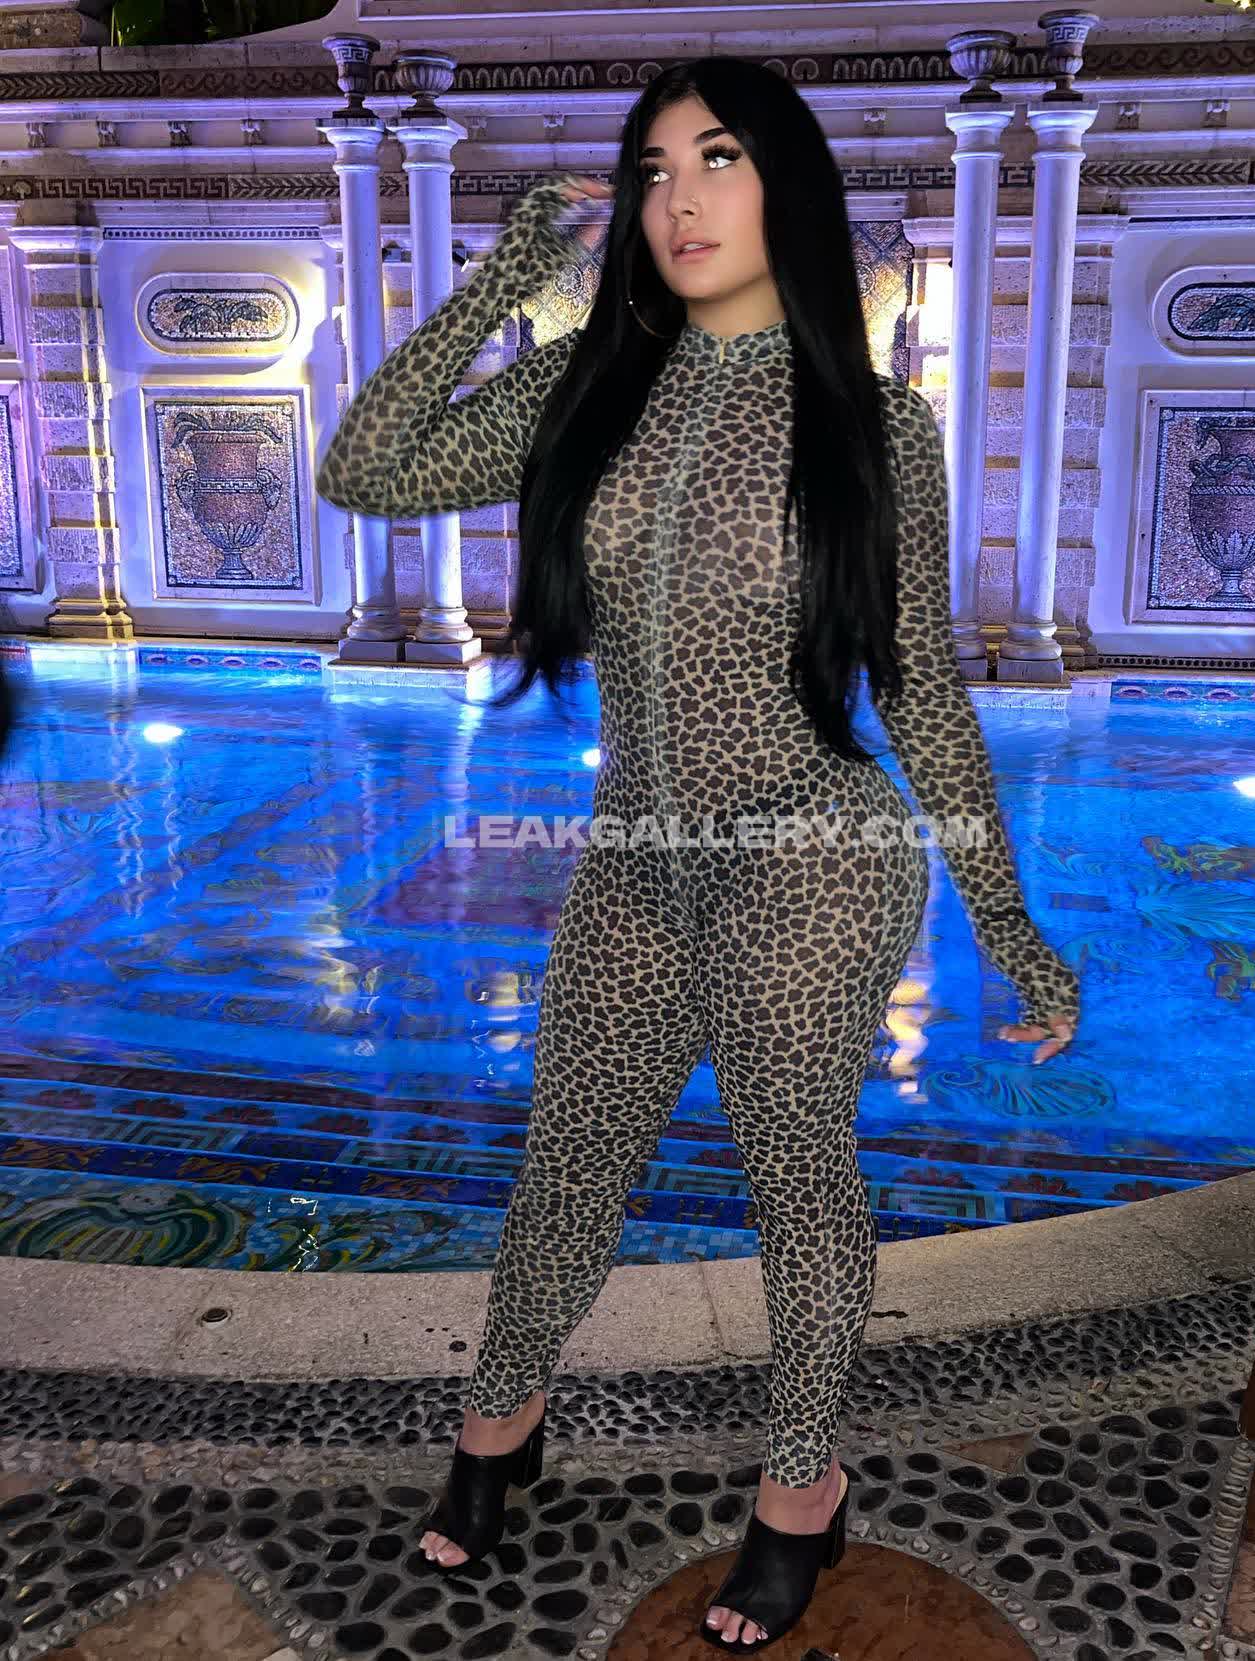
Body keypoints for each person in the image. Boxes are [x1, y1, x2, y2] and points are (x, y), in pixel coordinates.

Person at [316, 54, 1079, 1654]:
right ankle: (501, 1419)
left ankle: (803, 1486)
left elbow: (919, 685)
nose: (678, 199)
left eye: (717, 158)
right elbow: (363, 468)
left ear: (785, 183)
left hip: (818, 846)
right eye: (653, 170)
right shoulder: (585, 391)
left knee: (792, 1160)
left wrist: (1007, 920)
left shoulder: (879, 425)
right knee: (568, 1157)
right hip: (639, 853)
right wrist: (503, 282)